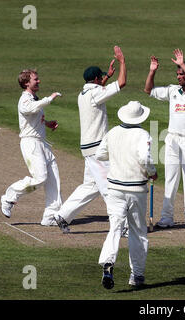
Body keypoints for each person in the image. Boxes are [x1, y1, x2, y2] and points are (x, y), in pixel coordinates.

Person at [53, 46, 127, 234]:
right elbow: (122, 83)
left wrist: (106, 77)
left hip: (88, 149)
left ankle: (62, 215)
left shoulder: (83, 94)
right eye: (100, 78)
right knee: (110, 187)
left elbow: (100, 88)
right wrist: (122, 62)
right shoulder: (96, 93)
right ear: (95, 80)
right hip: (98, 150)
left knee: (91, 186)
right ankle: (122, 227)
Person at [95, 101, 157, 289]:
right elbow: (144, 158)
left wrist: (116, 156)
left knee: (115, 228)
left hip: (114, 188)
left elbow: (99, 154)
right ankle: (136, 275)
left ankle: (108, 263)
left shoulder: (112, 132)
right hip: (136, 189)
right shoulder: (142, 134)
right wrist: (152, 171)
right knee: (138, 232)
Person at [144, 48, 185, 229]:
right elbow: (148, 90)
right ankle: (166, 217)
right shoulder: (173, 90)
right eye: (177, 73)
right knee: (171, 179)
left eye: (182, 73)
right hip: (172, 139)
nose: (179, 76)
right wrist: (152, 71)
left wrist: (182, 64)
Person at [0, 69, 62, 226]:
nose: (39, 81)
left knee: (53, 179)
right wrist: (50, 98)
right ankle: (9, 198)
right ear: (27, 82)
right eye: (36, 79)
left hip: (42, 143)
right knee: (40, 177)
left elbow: (34, 116)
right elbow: (29, 109)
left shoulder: (34, 98)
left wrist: (46, 123)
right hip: (31, 143)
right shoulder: (25, 100)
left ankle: (51, 216)